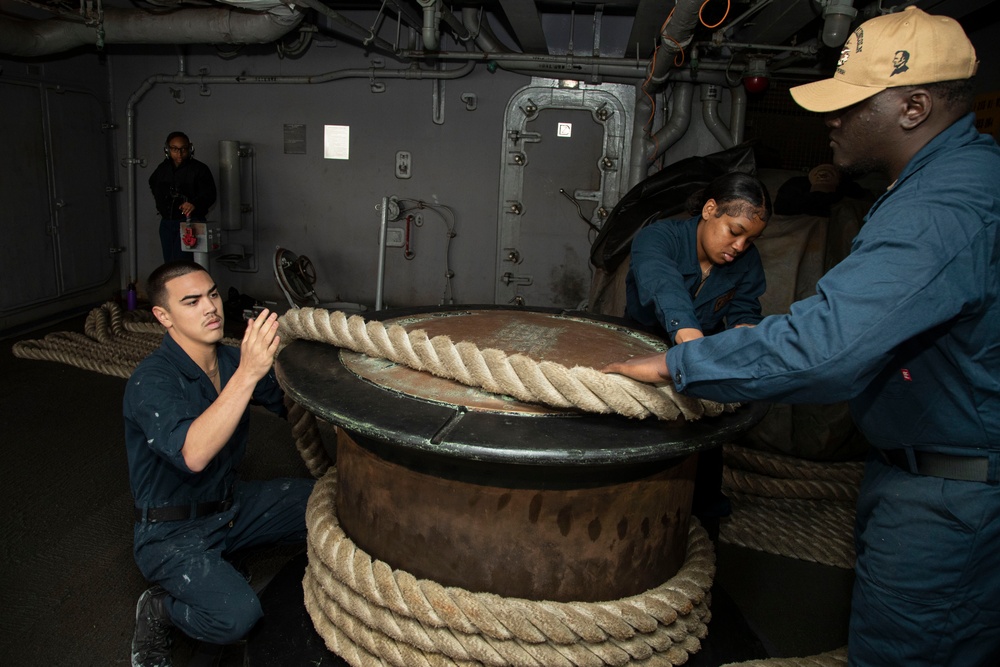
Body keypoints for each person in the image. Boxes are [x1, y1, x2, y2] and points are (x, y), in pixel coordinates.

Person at [604, 7, 999, 665]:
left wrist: (686, 365)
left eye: (850, 105)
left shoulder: (940, 208)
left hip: (948, 503)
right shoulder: (954, 181)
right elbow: (667, 289)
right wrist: (695, 344)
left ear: (913, 107)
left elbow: (830, 345)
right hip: (932, 474)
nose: (832, 120)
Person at [123, 260, 315, 667]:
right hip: (171, 530)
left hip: (230, 507)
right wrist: (248, 372)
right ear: (163, 316)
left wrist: (309, 365)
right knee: (237, 618)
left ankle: (224, 558)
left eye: (212, 294)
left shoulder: (227, 361)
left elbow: (290, 405)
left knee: (327, 505)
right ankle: (160, 609)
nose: (210, 307)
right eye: (191, 301)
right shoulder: (150, 382)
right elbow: (193, 453)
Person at [625, 171, 771, 522]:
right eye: (735, 232)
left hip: (701, 356)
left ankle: (705, 523)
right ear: (709, 210)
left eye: (750, 240)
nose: (740, 247)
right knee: (640, 459)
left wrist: (746, 340)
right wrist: (692, 344)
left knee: (705, 457)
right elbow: (665, 288)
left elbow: (745, 311)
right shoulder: (656, 239)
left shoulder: (746, 262)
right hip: (645, 351)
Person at [148, 132, 217, 263]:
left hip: (191, 222)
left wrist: (194, 204)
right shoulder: (163, 169)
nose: (179, 153)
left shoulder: (199, 169)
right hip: (167, 223)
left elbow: (210, 194)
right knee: (171, 263)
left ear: (190, 148)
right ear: (168, 149)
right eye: (174, 149)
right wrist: (162, 204)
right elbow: (153, 183)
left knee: (184, 264)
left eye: (183, 149)